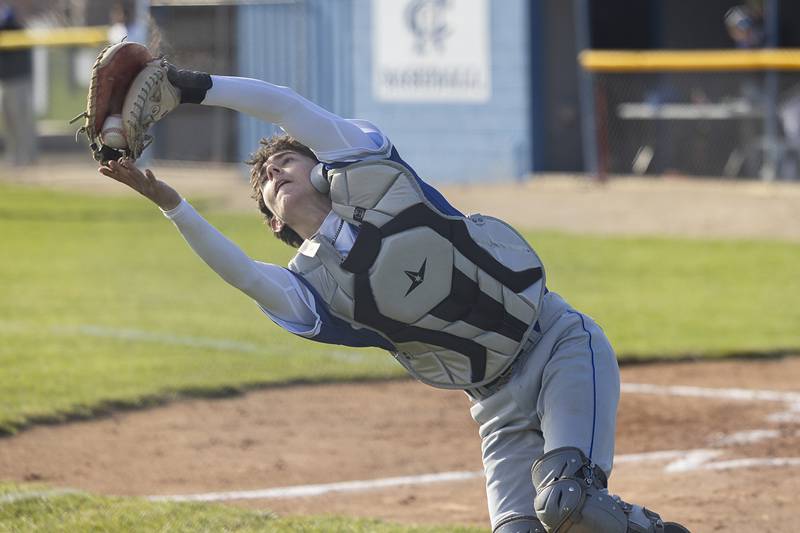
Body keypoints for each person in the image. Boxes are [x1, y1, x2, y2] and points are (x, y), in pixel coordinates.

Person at [98, 60, 690, 533]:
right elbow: (243, 275)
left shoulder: (369, 168)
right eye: (266, 181)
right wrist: (171, 203)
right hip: (495, 406)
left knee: (571, 503)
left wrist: (190, 87)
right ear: (274, 224)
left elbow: (282, 104)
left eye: (288, 160)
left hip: (559, 344)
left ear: (321, 164)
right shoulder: (310, 291)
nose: (276, 172)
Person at [0, 2, 36, 166]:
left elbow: (13, 28)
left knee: (21, 119)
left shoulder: (12, 19)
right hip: (5, 79)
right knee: (8, 119)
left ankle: (27, 155)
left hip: (18, 78)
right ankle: (14, 154)